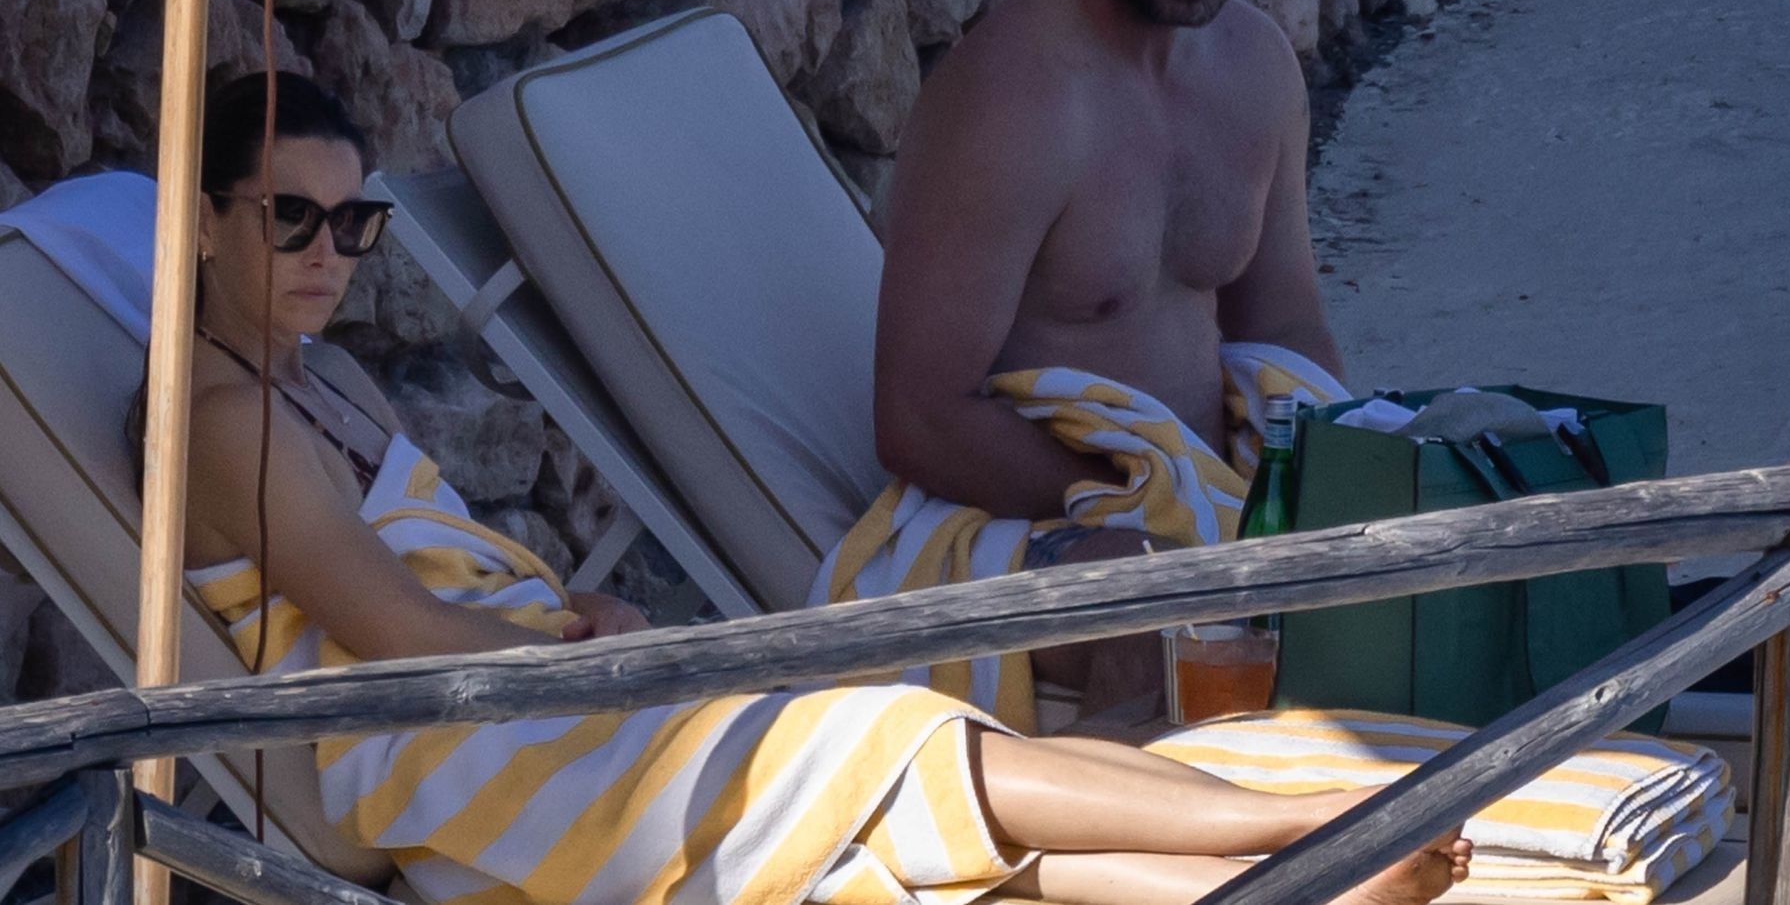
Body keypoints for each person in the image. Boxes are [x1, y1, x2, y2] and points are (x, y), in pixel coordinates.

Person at [163, 71, 1469, 905]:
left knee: (875, 827)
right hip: (446, 745)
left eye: (353, 222)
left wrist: (575, 607)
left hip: (518, 694)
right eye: (290, 218)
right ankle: (1298, 821)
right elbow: (395, 632)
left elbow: (442, 573)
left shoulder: (328, 379)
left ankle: (1281, 883)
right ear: (205, 220)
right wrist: (576, 652)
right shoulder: (226, 422)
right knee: (876, 735)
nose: (329, 251)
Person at [871, 0, 1344, 708]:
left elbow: (1284, 325)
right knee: (1143, 614)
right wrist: (1141, 514)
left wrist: (1346, 482)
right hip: (1025, 519)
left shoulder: (1257, 71)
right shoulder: (1012, 102)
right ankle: (1141, 803)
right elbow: (917, 415)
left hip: (1211, 503)